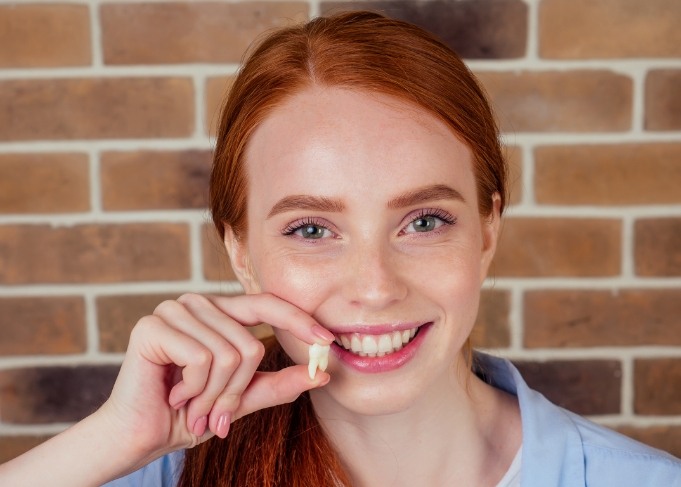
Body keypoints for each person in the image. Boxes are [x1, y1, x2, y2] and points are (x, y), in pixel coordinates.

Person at [1, 10, 680, 487]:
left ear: (487, 231)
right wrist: (109, 443)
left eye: (422, 221)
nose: (374, 286)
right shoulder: (147, 472)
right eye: (311, 229)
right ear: (239, 251)